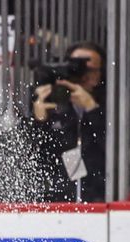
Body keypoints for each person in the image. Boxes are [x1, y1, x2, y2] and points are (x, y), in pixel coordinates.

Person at [29, 41, 105, 202]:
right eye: (76, 67)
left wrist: (92, 110)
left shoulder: (111, 106)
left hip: (98, 197)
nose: (83, 75)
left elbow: (111, 152)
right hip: (58, 200)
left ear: (100, 74)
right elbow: (34, 158)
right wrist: (39, 121)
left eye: (89, 70)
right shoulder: (51, 102)